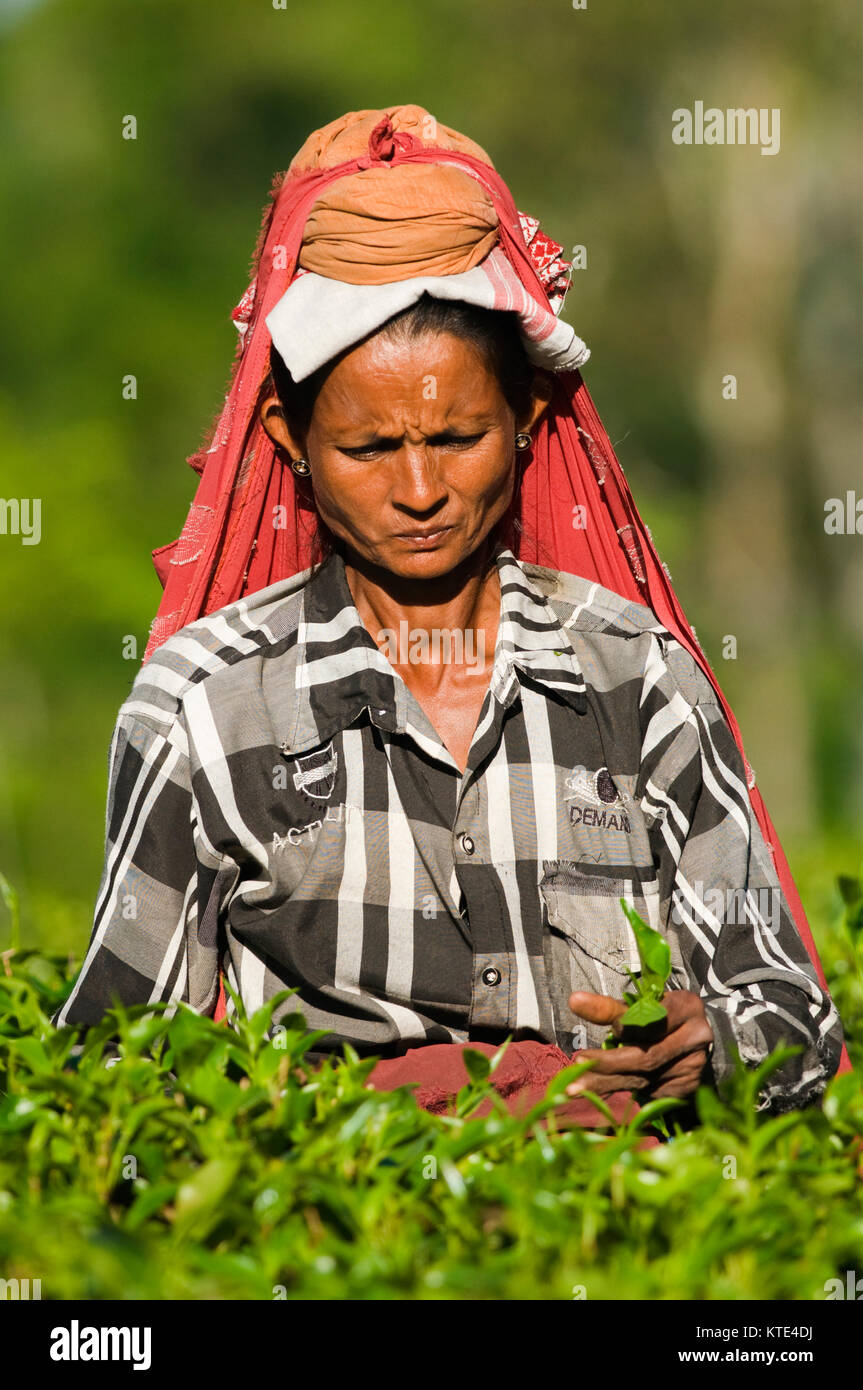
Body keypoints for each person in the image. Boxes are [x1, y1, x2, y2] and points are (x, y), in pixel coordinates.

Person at [54, 106, 845, 1119]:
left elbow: (789, 1014)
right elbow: (113, 1074)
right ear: (286, 436)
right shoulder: (206, 710)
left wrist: (713, 1042)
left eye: (459, 435)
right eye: (370, 449)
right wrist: (420, 1100)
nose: (420, 489)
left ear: (524, 419)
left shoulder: (632, 679)